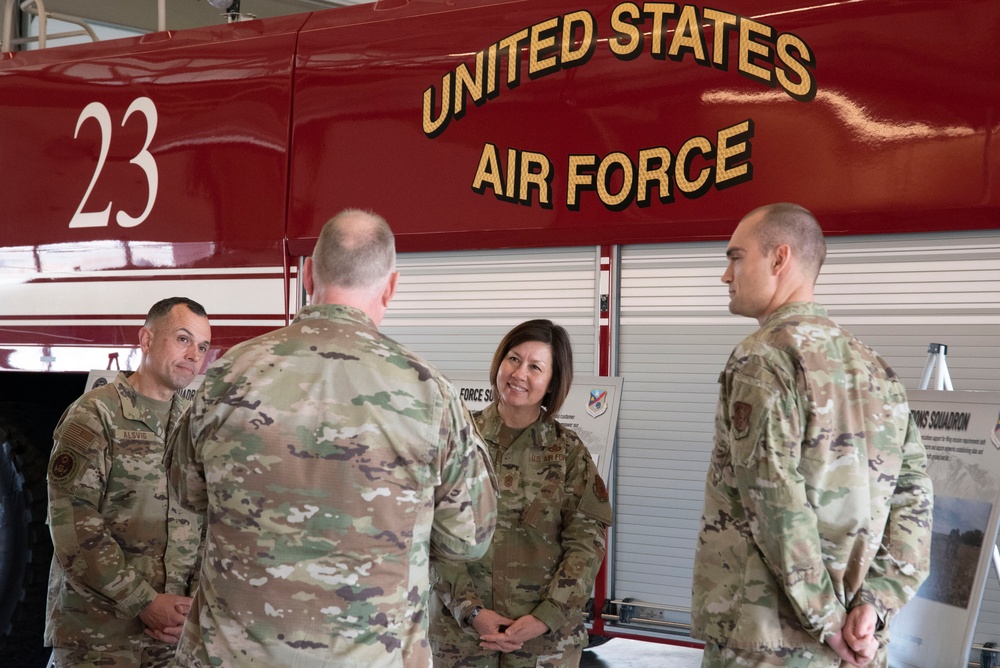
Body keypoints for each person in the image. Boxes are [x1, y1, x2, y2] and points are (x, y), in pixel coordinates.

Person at [167, 209, 497, 668]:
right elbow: (468, 539)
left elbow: (187, 493)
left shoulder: (228, 374)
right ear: (391, 286)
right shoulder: (430, 393)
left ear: (307, 274)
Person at [691, 203, 934, 668]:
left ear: (779, 259)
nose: (726, 275)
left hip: (768, 643)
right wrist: (874, 608)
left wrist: (827, 625)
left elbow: (775, 502)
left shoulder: (762, 360)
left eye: (736, 257)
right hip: (858, 646)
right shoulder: (875, 366)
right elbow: (916, 499)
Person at [431, 319, 614, 668]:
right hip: (463, 639)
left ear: (551, 382)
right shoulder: (456, 440)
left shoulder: (569, 453)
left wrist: (547, 615)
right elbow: (434, 534)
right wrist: (471, 610)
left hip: (545, 645)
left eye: (535, 367)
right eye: (513, 359)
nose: (519, 374)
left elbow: (586, 544)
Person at [45, 296, 212, 667]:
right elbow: (72, 524)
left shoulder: (192, 424)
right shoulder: (94, 414)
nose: (194, 355)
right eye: (183, 339)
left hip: (171, 639)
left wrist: (193, 610)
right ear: (147, 340)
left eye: (202, 346)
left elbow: (206, 524)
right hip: (101, 639)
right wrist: (145, 602)